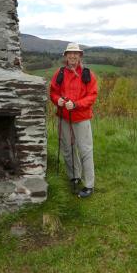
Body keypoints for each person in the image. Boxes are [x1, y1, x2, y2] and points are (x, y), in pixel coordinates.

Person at [50, 42, 98, 198]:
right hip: (64, 117)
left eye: (75, 53)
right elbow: (53, 92)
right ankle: (74, 176)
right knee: (67, 148)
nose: (72, 56)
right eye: (70, 53)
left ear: (80, 55)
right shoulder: (60, 73)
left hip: (81, 117)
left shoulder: (87, 74)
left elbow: (92, 96)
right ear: (65, 56)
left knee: (85, 150)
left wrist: (76, 104)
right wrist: (58, 101)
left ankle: (89, 185)